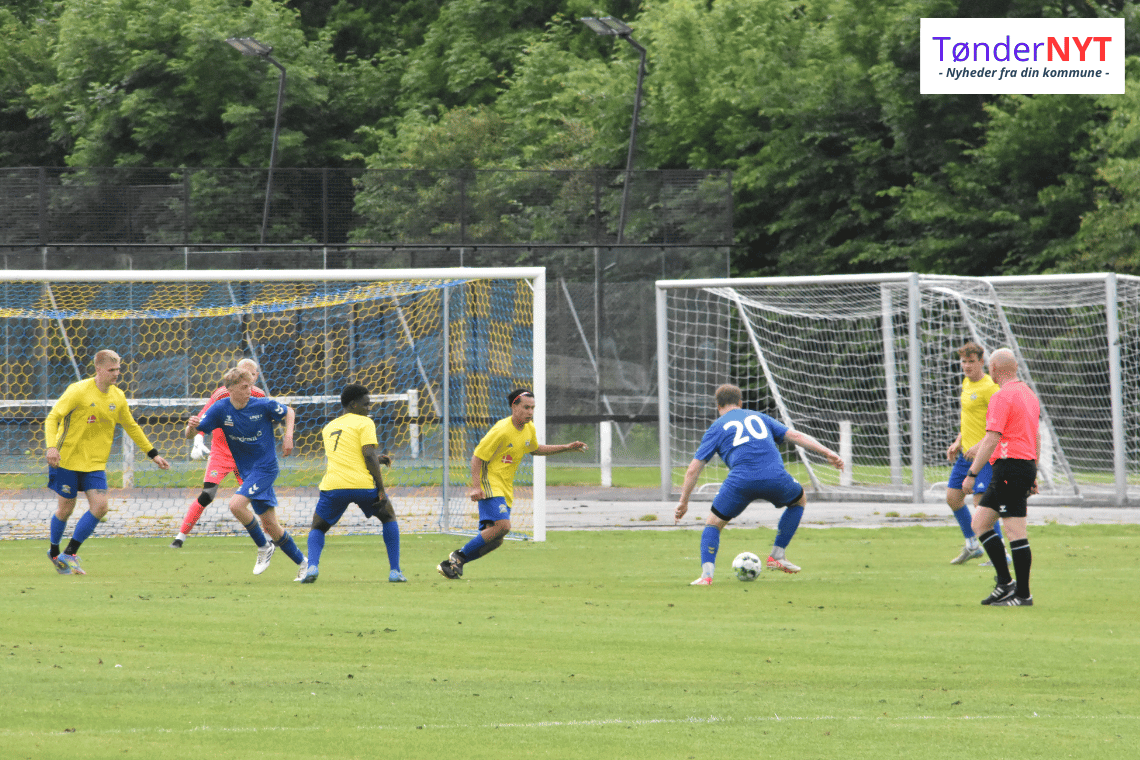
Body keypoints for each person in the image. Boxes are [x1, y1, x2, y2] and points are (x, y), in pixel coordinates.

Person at [674, 383, 843, 585]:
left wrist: (683, 502)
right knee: (798, 501)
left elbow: (694, 468)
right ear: (740, 402)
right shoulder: (760, 418)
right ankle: (777, 556)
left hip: (740, 482)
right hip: (775, 477)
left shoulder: (716, 428)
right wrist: (828, 452)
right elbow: (796, 436)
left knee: (713, 524)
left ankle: (706, 577)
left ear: (718, 406)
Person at [436, 388, 587, 579]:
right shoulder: (501, 430)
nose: (530, 412)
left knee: (496, 538)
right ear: (514, 406)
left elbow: (535, 449)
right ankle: (459, 555)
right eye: (526, 407)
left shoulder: (528, 428)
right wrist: (476, 487)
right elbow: (477, 458)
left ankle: (453, 564)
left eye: (532, 408)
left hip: (505, 486)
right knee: (504, 526)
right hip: (489, 482)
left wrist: (566, 447)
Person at [44, 349, 171, 575]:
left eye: (119, 369)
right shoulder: (78, 391)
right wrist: (51, 446)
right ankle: (54, 552)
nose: (117, 373)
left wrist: (153, 453)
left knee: (101, 507)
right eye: (112, 370)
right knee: (65, 509)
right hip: (67, 459)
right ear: (99, 369)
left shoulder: (117, 397)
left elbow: (131, 426)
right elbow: (53, 417)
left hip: (95, 464)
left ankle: (69, 553)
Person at [184, 366, 306, 579]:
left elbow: (289, 412)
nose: (250, 390)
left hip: (266, 468)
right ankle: (304, 563)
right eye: (244, 387)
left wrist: (288, 436)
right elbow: (192, 433)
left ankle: (263, 546)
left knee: (236, 505)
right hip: (248, 472)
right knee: (270, 524)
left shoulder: (262, 405)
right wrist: (191, 427)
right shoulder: (221, 409)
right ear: (229, 389)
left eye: (250, 385)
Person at [299, 383, 405, 584]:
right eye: (366, 404)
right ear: (353, 404)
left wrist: (377, 458)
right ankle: (395, 571)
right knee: (388, 516)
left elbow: (349, 454)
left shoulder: (329, 427)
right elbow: (367, 454)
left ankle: (312, 566)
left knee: (318, 527)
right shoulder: (365, 423)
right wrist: (381, 488)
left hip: (333, 487)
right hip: (363, 486)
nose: (369, 408)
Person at [963, 348, 1040, 607]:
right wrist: (1034, 470)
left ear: (994, 368)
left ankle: (1023, 595)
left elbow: (993, 438)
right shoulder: (1028, 394)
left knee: (1015, 531)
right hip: (1020, 466)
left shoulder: (1001, 396)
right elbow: (1035, 435)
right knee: (981, 523)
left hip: (1011, 467)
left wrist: (972, 473)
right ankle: (1005, 583)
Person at [171, 358, 264, 548]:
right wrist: (198, 440)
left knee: (257, 497)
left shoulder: (260, 397)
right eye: (242, 374)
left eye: (251, 375)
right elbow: (203, 418)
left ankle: (270, 537)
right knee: (207, 494)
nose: (247, 379)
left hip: (244, 455)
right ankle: (180, 536)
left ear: (256, 376)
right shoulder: (222, 394)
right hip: (221, 454)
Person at [945, 341, 1004, 565]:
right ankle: (972, 545)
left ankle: (1000, 552)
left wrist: (980, 446)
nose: (967, 366)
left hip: (986, 456)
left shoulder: (990, 388)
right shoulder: (966, 383)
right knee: (953, 498)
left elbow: (998, 424)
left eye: (971, 361)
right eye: (963, 361)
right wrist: (958, 441)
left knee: (982, 504)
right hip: (965, 455)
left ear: (982, 362)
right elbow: (969, 419)